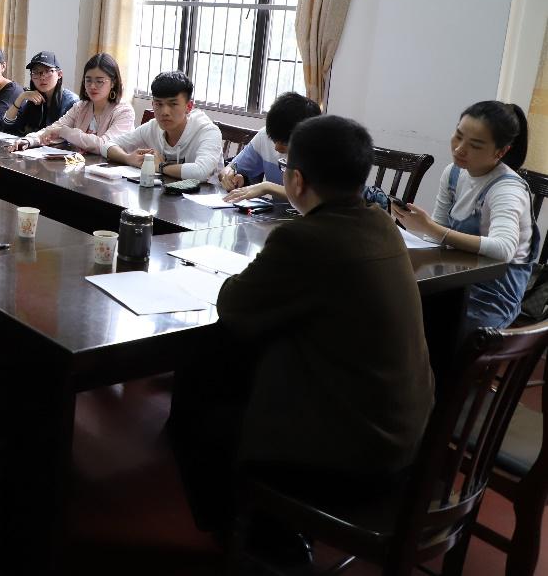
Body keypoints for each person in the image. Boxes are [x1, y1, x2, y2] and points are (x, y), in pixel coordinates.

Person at [168, 115, 434, 551]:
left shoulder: (305, 239)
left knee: (197, 399)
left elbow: (235, 306)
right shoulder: (384, 225)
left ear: (295, 180)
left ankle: (259, 538)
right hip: (408, 440)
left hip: (351, 458)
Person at [393, 101, 540, 336]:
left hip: (491, 296)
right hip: (454, 280)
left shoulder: (507, 189)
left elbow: (504, 249)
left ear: (501, 152)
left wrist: (431, 228)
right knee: (391, 311)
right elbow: (437, 233)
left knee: (419, 332)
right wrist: (422, 229)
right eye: (458, 136)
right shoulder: (453, 173)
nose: (460, 149)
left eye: (475, 145)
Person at [101, 70, 223, 181]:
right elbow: (107, 145)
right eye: (159, 104)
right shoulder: (153, 127)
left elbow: (201, 172)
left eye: (173, 104)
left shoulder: (208, 131)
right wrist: (127, 158)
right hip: (163, 193)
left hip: (205, 196)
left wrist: (160, 166)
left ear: (188, 107)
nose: (165, 112)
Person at [11, 53, 135, 153]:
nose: (92, 86)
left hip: (112, 172)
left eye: (99, 81)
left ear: (113, 82)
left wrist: (64, 132)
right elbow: (54, 128)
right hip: (82, 168)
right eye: (88, 80)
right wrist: (29, 140)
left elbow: (105, 145)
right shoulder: (81, 106)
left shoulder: (124, 111)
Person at [219, 92, 322, 201]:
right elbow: (232, 167)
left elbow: (312, 197)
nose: (277, 148)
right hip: (276, 210)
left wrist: (267, 187)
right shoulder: (264, 135)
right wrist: (229, 175)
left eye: (285, 143)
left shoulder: (321, 150)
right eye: (273, 140)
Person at [0, 51, 78, 136]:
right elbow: (7, 126)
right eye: (36, 72)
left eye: (47, 71)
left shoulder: (71, 102)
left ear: (59, 74)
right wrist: (21, 98)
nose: (42, 77)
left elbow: (67, 136)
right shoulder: (33, 99)